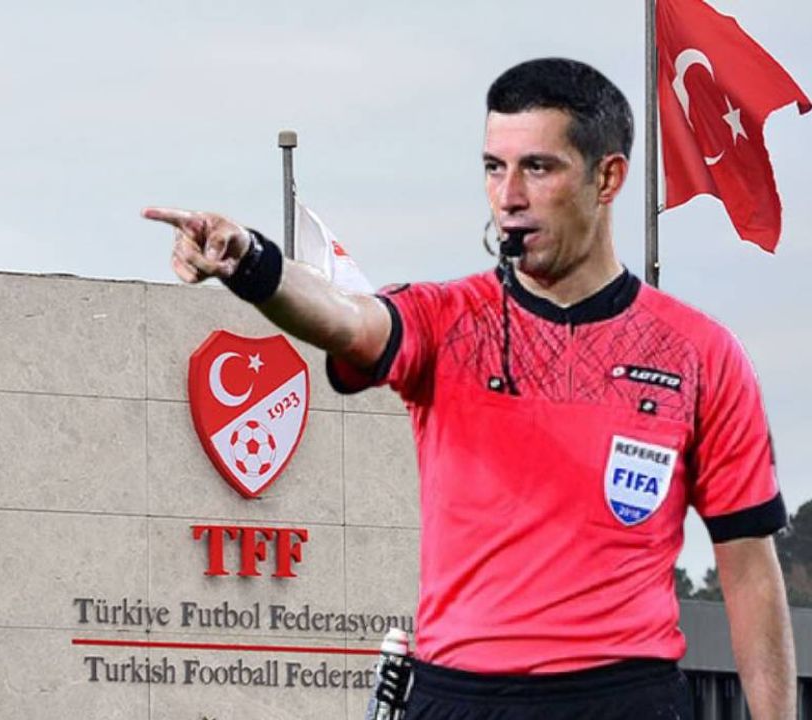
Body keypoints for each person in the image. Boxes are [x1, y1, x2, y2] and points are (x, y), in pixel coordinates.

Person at [144, 58, 795, 720]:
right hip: (457, 696)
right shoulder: (445, 319)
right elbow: (346, 319)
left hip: (623, 697)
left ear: (607, 178)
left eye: (537, 167)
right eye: (493, 167)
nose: (508, 195)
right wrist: (252, 264)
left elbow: (747, 569)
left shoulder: (700, 353)